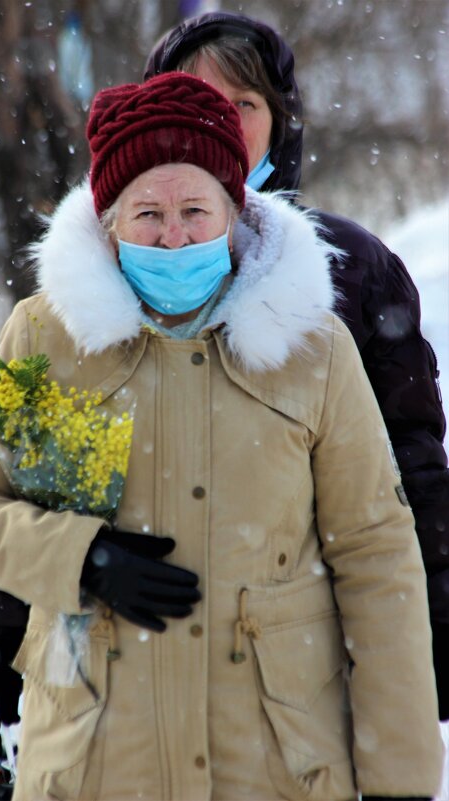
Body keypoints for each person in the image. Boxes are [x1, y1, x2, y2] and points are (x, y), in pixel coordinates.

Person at [0, 72, 443, 801]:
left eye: (195, 208)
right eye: (147, 213)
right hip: (92, 763)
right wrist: (81, 559)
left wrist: (400, 781)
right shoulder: (40, 336)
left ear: (236, 210)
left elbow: (376, 554)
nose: (173, 236)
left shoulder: (316, 349)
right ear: (108, 221)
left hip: (277, 766)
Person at [144, 9, 449, 721]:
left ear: (279, 124)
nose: (217, 119)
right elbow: (39, 454)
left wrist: (431, 621)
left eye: (242, 103)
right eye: (196, 97)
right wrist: (3, 628)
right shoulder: (114, 260)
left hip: (300, 646)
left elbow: (408, 458)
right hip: (139, 648)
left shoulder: (352, 267)